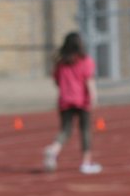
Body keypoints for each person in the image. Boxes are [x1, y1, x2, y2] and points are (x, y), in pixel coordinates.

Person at [43, 32, 101, 174]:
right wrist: (93, 97)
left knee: (65, 131)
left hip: (65, 100)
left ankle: (53, 149)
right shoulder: (86, 61)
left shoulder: (61, 64)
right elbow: (89, 81)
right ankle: (86, 163)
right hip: (82, 101)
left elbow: (56, 81)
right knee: (85, 131)